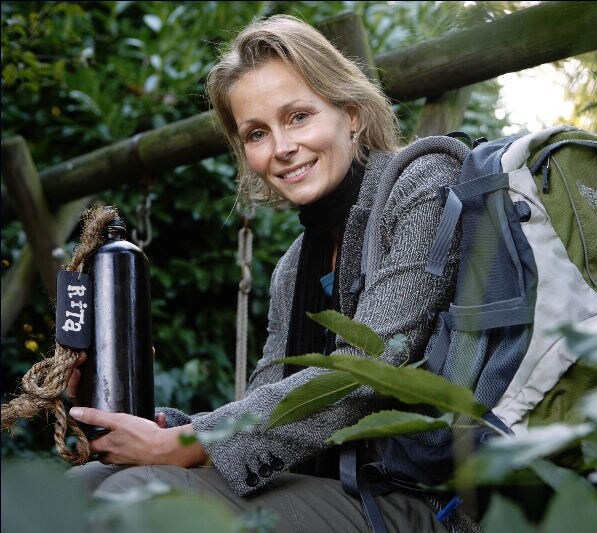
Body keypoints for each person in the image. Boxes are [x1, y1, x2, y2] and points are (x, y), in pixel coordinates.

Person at [66, 14, 473, 532]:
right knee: (82, 486)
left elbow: (370, 367)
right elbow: (265, 407)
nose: (281, 148)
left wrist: (187, 444)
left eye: (298, 117)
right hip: (340, 489)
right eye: (257, 133)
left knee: (133, 496)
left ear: (350, 113)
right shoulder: (295, 265)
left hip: (427, 500)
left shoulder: (424, 182)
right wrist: (161, 427)